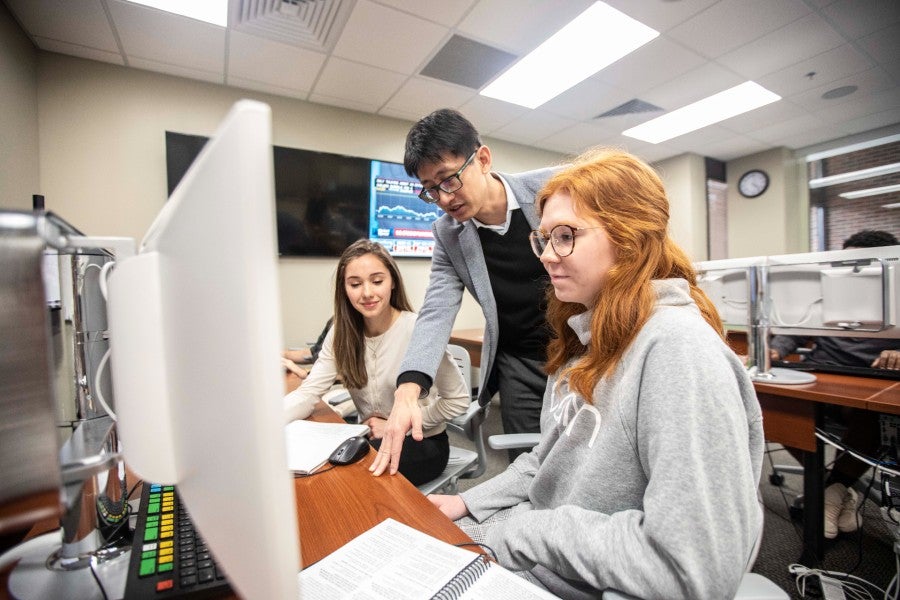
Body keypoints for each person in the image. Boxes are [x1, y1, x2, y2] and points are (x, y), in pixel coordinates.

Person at [428, 148, 764, 599]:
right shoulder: (581, 341)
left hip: (563, 577)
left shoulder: (676, 351)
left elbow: (692, 567)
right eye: (544, 239)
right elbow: (547, 462)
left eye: (565, 236)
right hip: (530, 549)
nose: (546, 256)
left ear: (629, 237)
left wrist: (520, 531)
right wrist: (468, 502)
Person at [371, 108, 561, 475]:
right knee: (530, 469)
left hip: (582, 352)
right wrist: (408, 389)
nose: (442, 198)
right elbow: (436, 310)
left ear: (483, 159)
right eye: (430, 190)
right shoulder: (447, 233)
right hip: (518, 361)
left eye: (448, 180)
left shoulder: (553, 189)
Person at [282, 239, 470, 486]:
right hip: (368, 435)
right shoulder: (341, 332)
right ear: (344, 289)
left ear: (392, 282)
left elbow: (458, 401)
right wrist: (266, 423)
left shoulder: (418, 329)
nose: (367, 292)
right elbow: (308, 393)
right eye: (355, 284)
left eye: (377, 281)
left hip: (423, 443)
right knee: (313, 466)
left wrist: (396, 424)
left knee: (343, 476)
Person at [769, 228, 899, 539]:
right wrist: (777, 349)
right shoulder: (826, 299)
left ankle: (830, 490)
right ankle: (837, 486)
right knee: (774, 405)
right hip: (822, 378)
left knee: (872, 414)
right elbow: (794, 331)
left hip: (872, 386)